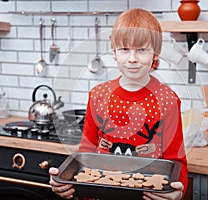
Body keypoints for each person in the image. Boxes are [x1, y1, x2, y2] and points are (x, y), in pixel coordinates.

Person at [49, 8, 188, 200]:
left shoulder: (168, 100)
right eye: (124, 49)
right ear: (114, 51)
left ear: (155, 53)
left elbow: (176, 162)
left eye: (141, 50)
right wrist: (66, 182)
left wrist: (177, 193)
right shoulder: (98, 95)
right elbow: (85, 154)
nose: (132, 58)